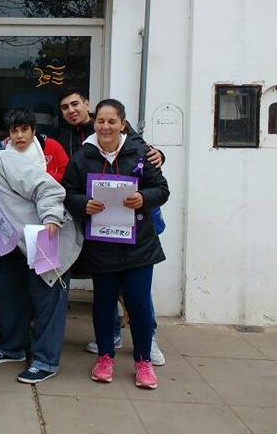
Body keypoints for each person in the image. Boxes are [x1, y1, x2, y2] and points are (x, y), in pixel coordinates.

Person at [61, 99, 170, 390]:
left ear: (123, 124)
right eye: (101, 122)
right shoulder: (82, 158)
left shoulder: (139, 153)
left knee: (139, 304)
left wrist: (144, 198)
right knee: (104, 303)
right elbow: (67, 194)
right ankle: (105, 357)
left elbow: (162, 189)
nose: (105, 127)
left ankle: (144, 361)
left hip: (139, 246)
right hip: (102, 244)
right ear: (94, 123)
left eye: (112, 122)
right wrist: (84, 204)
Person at [0, 149, 83, 384]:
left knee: (47, 297)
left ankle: (45, 361)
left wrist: (51, 217)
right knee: (0, 286)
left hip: (46, 233)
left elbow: (45, 186)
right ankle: (12, 346)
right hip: (14, 245)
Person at [3, 107, 69, 182]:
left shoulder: (52, 145)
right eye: (14, 131)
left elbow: (68, 176)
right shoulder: (3, 153)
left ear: (33, 131)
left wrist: (41, 176)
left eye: (24, 130)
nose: (19, 136)